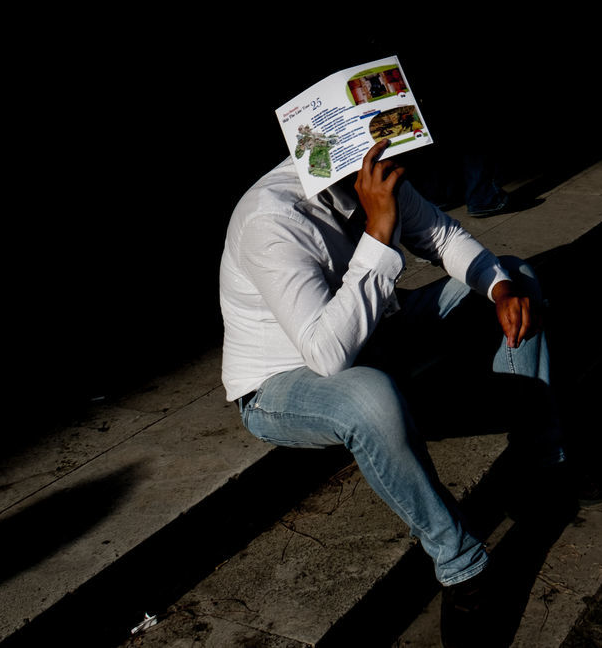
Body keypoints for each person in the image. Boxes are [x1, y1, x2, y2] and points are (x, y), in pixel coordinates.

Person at [219, 139, 573, 645]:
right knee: (368, 395)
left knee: (516, 276)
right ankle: (463, 570)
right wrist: (380, 230)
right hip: (282, 383)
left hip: (377, 334)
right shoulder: (271, 219)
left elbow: (444, 238)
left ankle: (542, 466)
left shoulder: (374, 177)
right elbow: (326, 355)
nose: (397, 160)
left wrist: (499, 289)